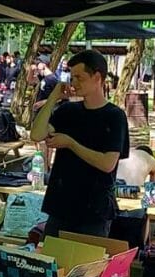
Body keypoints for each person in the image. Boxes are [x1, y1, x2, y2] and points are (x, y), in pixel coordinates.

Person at [30, 49, 129, 238]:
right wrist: (53, 98)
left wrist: (71, 144)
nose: (73, 82)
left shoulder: (114, 116)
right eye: (72, 77)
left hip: (94, 211)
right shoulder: (68, 110)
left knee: (87, 258)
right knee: (52, 256)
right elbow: (36, 135)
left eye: (79, 77)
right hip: (60, 207)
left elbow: (107, 163)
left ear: (97, 77)